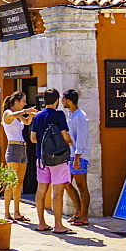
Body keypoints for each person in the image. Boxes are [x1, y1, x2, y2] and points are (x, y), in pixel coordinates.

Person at [31, 88, 75, 234]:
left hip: (42, 158)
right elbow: (64, 135)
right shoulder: (59, 115)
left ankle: (41, 223)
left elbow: (33, 139)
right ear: (57, 100)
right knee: (58, 192)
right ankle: (58, 225)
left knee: (41, 190)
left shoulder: (38, 117)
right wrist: (70, 143)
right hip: (59, 159)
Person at [1, 91, 37, 222]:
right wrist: (26, 110)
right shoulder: (8, 113)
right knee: (11, 182)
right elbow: (14, 114)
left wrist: (31, 115)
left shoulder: (19, 115)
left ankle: (17, 212)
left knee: (19, 182)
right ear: (16, 102)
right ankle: (6, 213)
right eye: (23, 101)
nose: (25, 103)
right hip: (13, 148)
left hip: (23, 148)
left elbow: (27, 122)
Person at [61, 89, 91, 226]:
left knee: (81, 185)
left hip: (79, 155)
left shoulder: (80, 116)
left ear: (69, 101)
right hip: (71, 155)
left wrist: (78, 157)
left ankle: (84, 216)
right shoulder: (71, 115)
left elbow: (82, 137)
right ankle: (78, 212)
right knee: (66, 183)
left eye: (63, 99)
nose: (62, 101)